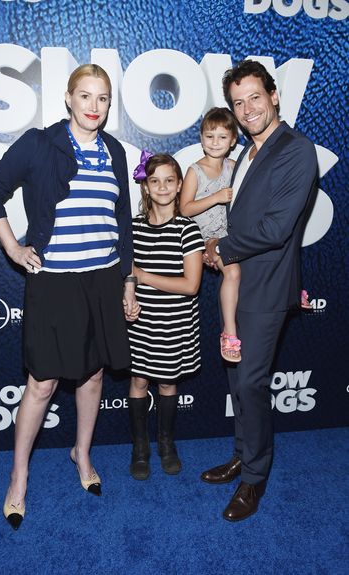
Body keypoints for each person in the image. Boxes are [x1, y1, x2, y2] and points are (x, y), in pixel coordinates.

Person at [0, 64, 139, 530]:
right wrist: (13, 247)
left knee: (91, 377)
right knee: (43, 383)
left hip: (104, 280)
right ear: (68, 99)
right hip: (54, 282)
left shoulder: (113, 151)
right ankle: (18, 476)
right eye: (85, 96)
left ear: (110, 105)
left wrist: (127, 280)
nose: (94, 107)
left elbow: (122, 220)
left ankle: (81, 455)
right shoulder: (39, 143)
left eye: (103, 98)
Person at [201, 60, 318, 521]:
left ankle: (254, 478)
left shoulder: (295, 149)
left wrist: (222, 248)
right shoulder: (246, 153)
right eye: (237, 102)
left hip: (267, 285)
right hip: (238, 281)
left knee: (250, 381)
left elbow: (275, 229)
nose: (247, 109)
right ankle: (242, 454)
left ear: (274, 96)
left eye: (254, 97)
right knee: (237, 379)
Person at [127, 152, 204, 480]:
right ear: (146, 187)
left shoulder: (188, 230)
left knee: (168, 383)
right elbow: (125, 273)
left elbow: (191, 285)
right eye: (154, 180)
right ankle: (140, 447)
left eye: (169, 181)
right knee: (139, 380)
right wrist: (128, 293)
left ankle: (166, 443)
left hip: (174, 322)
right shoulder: (132, 228)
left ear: (179, 186)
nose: (162, 187)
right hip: (140, 323)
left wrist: (143, 277)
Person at [180, 107, 242, 362]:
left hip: (230, 237)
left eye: (222, 137)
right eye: (209, 136)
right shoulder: (195, 170)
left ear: (233, 141)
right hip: (201, 237)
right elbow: (184, 208)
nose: (215, 142)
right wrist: (216, 197)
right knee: (234, 272)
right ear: (201, 138)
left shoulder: (235, 167)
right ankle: (229, 333)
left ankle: (290, 292)